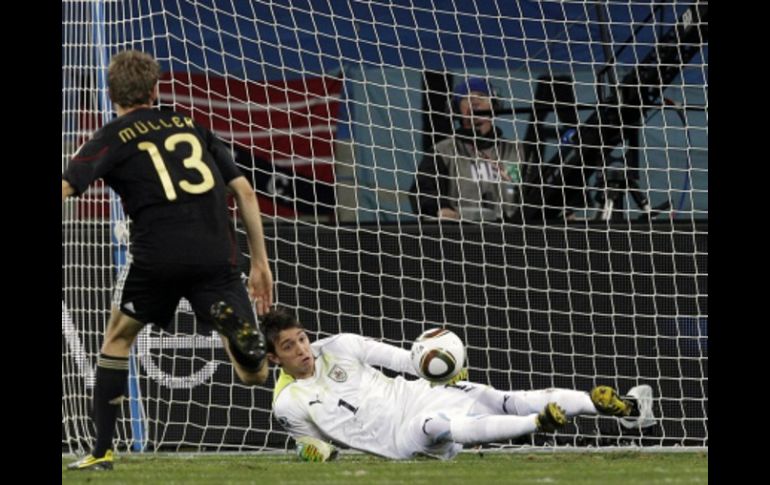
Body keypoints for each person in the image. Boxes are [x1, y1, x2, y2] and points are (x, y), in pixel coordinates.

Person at [63, 50, 274, 470]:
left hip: (156, 255)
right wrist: (261, 263)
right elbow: (245, 193)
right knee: (255, 375)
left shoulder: (112, 136)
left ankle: (102, 449)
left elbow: (68, 186)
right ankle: (235, 330)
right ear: (155, 89)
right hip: (217, 252)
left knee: (118, 339)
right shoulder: (192, 127)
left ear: (111, 94)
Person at [263, 307, 654, 461]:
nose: (302, 349)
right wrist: (314, 453)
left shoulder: (342, 346)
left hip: (419, 394)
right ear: (273, 358)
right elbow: (311, 446)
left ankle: (623, 409)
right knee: (437, 426)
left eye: (302, 338)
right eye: (289, 346)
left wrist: (441, 368)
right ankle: (537, 425)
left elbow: (407, 361)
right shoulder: (287, 402)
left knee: (503, 399)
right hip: (400, 438)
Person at [411, 77, 526, 222]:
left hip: (514, 235)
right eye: (467, 98)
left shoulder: (517, 151)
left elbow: (535, 191)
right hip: (462, 236)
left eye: (482, 96)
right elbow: (422, 191)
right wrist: (441, 208)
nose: (475, 102)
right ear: (456, 109)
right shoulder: (442, 151)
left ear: (494, 105)